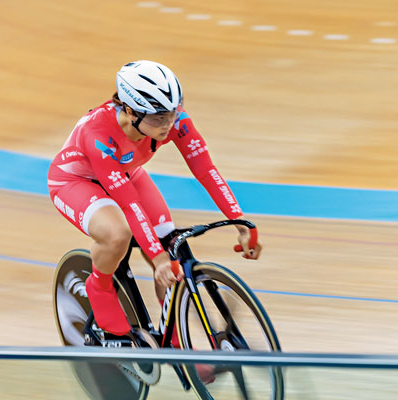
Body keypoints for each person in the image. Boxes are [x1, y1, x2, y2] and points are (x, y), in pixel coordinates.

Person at [48, 60, 261, 339]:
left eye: (172, 113)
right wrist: (156, 257)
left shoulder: (176, 121)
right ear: (129, 110)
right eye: (158, 118)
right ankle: (99, 286)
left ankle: (173, 342)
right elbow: (129, 204)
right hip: (75, 182)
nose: (168, 124)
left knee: (170, 247)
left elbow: (206, 171)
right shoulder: (98, 134)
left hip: (126, 173)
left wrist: (240, 223)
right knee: (118, 234)